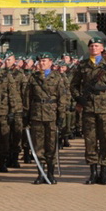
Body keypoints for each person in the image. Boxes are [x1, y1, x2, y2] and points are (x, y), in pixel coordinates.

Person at [71, 39, 106, 185]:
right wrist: (78, 98)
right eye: (91, 46)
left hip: (104, 108)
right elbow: (74, 85)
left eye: (96, 46)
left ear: (102, 48)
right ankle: (93, 173)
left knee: (105, 139)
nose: (93, 48)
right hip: (89, 108)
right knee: (90, 140)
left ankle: (103, 172)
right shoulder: (83, 65)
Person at [25, 52, 67, 184]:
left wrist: (61, 116)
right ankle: (40, 173)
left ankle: (50, 173)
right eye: (40, 61)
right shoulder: (33, 78)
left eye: (44, 61)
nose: (41, 63)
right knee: (38, 145)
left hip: (52, 115)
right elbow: (27, 98)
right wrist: (26, 114)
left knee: (51, 145)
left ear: (50, 62)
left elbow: (62, 98)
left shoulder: (57, 77)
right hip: (37, 115)